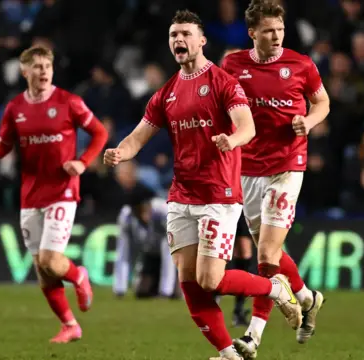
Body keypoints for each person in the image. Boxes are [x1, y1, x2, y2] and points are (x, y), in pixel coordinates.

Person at [103, 10, 300, 360]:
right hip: (182, 195)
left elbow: (247, 127)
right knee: (189, 281)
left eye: (185, 34)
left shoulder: (224, 82)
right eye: (173, 35)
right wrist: (120, 152)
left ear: (202, 40)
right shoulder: (167, 92)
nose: (178, 40)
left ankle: (274, 288)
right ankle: (228, 354)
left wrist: (233, 139)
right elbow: (139, 136)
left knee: (211, 279)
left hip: (219, 195)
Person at [221, 0, 330, 356]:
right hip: (249, 169)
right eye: (269, 31)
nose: (277, 36)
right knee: (272, 255)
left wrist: (308, 122)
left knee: (265, 253)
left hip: (288, 165)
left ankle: (252, 338)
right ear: (252, 33)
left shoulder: (301, 65)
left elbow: (322, 103)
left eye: (280, 30)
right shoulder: (233, 65)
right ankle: (307, 297)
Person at [0, 45, 108, 343]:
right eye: (37, 67)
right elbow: (5, 144)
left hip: (63, 191)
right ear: (24, 71)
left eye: (47, 67)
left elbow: (100, 133)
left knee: (52, 260)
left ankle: (79, 275)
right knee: (42, 270)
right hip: (30, 193)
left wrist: (82, 161)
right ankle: (70, 325)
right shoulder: (15, 108)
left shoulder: (69, 102)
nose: (43, 72)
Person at [113, 185, 177, 299]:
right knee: (142, 292)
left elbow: (171, 249)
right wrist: (120, 289)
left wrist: (165, 292)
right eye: (138, 209)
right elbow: (124, 252)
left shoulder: (164, 211)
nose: (143, 213)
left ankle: (170, 288)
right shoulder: (126, 217)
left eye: (145, 207)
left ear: (150, 204)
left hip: (176, 256)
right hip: (151, 255)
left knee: (177, 294)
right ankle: (156, 285)